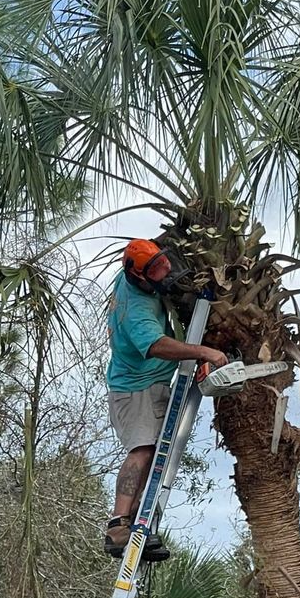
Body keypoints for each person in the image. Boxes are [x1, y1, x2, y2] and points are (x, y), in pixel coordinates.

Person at [104, 238, 227, 562]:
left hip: (152, 382)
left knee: (154, 452)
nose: (165, 278)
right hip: (135, 388)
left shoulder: (135, 272)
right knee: (143, 450)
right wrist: (203, 351)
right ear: (139, 278)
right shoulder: (137, 312)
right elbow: (157, 345)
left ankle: (138, 526)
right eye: (157, 275)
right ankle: (119, 525)